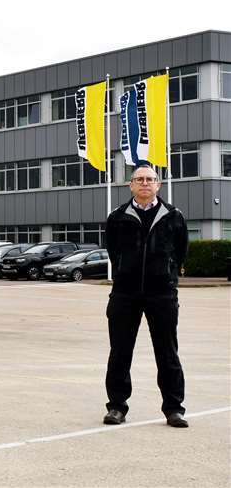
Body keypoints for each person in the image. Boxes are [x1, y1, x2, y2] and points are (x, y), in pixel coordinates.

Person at [103, 162, 189, 428]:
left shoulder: (174, 216)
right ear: (131, 185)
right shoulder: (117, 216)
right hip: (125, 295)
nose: (144, 183)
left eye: (149, 179)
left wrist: (166, 275)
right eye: (139, 179)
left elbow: (180, 251)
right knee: (120, 352)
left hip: (161, 295)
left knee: (167, 353)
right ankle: (117, 407)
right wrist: (124, 272)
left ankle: (174, 409)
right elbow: (112, 251)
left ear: (158, 184)